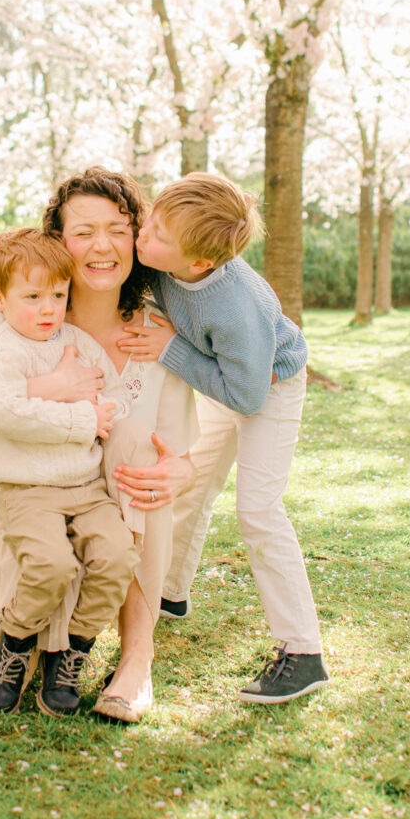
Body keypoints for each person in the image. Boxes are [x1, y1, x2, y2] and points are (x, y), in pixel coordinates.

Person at [0, 168, 198, 723]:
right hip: (14, 487)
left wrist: (182, 473)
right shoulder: (19, 304)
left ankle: (137, 657)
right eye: (83, 232)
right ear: (59, 240)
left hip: (101, 497)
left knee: (137, 451)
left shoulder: (157, 328)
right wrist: (46, 387)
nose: (102, 246)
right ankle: (25, 643)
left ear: (137, 239)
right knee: (20, 656)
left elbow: (179, 452)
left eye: (117, 230)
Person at [117, 171, 330, 704]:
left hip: (267, 386)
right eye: (152, 220)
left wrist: (172, 348)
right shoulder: (162, 254)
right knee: (194, 480)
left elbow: (247, 396)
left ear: (199, 264)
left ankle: (304, 652)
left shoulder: (235, 306)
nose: (144, 235)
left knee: (258, 509)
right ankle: (170, 592)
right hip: (226, 376)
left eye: (158, 235)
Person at [0, 227, 139, 717]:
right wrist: (83, 417)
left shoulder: (78, 343)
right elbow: (9, 414)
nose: (48, 309)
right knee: (52, 566)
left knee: (117, 557)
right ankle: (15, 641)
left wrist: (103, 408)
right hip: (28, 490)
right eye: (33, 297)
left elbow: (115, 395)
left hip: (86, 487)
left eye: (58, 296)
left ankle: (72, 652)